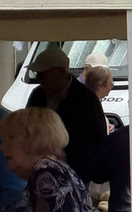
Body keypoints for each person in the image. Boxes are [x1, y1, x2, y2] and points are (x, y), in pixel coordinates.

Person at [24, 45, 107, 183]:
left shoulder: (86, 99)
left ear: (60, 72)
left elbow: (97, 141)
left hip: (73, 176)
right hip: (38, 172)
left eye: (42, 74)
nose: (38, 78)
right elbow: (26, 128)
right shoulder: (37, 95)